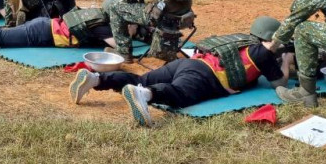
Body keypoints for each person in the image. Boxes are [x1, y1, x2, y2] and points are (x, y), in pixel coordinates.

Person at [70, 16, 288, 127]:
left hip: (187, 63)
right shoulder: (263, 54)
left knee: (140, 78)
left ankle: (96, 79)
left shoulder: (241, 38)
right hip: (205, 75)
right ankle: (145, 95)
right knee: (180, 94)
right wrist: (286, 59)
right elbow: (280, 83)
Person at [0, 3, 113, 52]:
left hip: (43, 25)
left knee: (0, 32)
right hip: (41, 33)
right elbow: (119, 46)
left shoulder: (96, 15)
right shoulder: (103, 28)